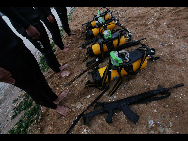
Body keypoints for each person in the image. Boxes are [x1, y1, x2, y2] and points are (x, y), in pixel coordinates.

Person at [0, 15, 71, 116]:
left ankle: (55, 98)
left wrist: (27, 26)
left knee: (39, 76)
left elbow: (9, 10)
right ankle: (55, 107)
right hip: (4, 61)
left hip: (16, 46)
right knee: (33, 88)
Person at [0, 7, 71, 78]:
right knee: (46, 51)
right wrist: (26, 26)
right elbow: (11, 13)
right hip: (27, 25)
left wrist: (37, 17)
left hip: (34, 20)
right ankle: (59, 72)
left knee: (48, 46)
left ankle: (58, 66)